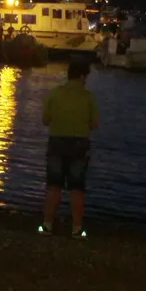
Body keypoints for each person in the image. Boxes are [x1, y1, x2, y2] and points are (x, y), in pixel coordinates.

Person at [39, 60, 98, 238]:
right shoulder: (89, 97)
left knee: (53, 186)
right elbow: (94, 124)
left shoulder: (54, 94)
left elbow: (45, 120)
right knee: (77, 188)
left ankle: (47, 225)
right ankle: (77, 228)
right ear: (81, 76)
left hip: (57, 142)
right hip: (79, 145)